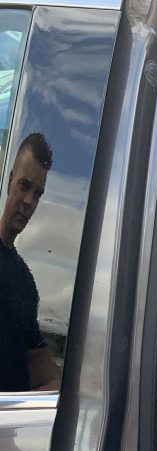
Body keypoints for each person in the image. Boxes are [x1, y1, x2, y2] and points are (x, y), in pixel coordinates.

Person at [0, 132, 60, 391]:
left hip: (14, 424)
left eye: (37, 194)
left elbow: (42, 373)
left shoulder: (24, 281)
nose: (28, 202)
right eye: (24, 186)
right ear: (10, 179)